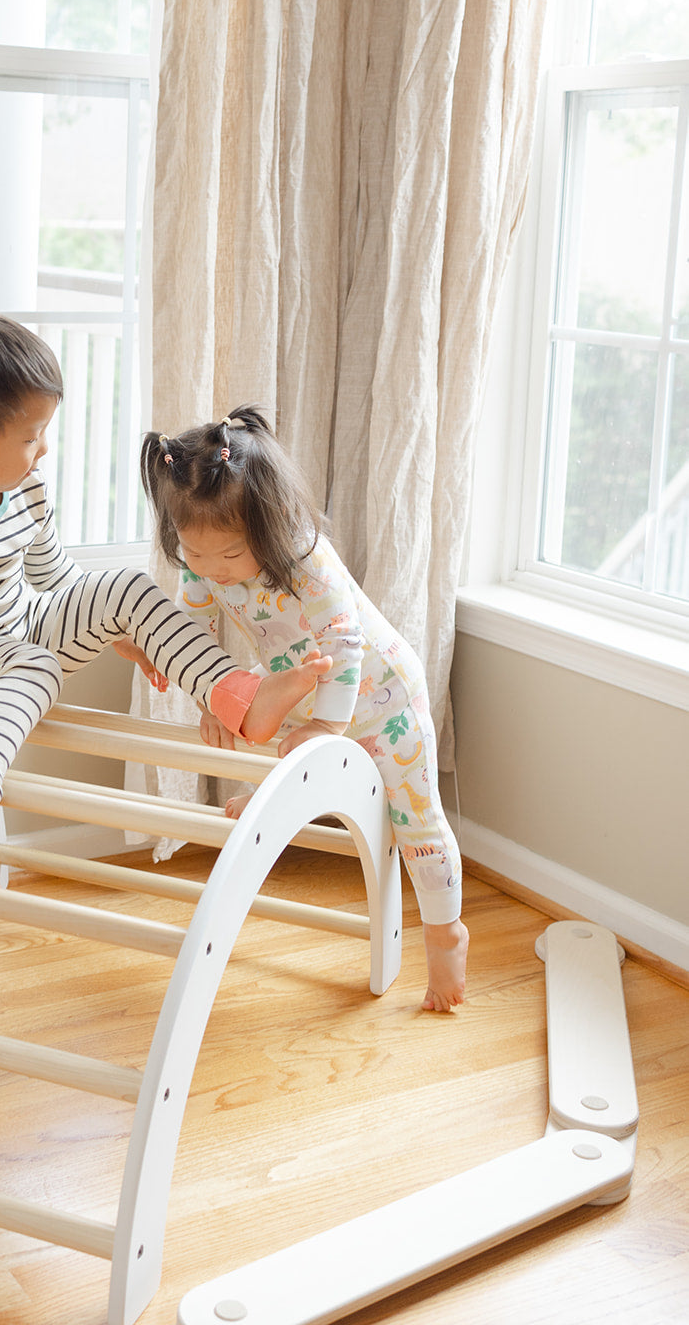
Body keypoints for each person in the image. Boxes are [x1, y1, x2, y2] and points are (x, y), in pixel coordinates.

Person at [0, 312, 330, 891]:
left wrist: (129, 629)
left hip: (18, 627)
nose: (44, 450)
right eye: (30, 437)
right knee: (35, 664)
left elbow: (54, 575)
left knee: (125, 587)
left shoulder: (21, 483)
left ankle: (239, 699)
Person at [140, 405, 469, 1012]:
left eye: (230, 557)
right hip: (306, 678)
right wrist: (208, 692)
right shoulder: (201, 558)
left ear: (269, 524)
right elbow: (194, 625)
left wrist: (327, 724)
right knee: (254, 702)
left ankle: (446, 931)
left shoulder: (305, 558)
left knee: (417, 819)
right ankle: (279, 789)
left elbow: (346, 642)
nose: (211, 570)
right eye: (195, 553)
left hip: (377, 691)